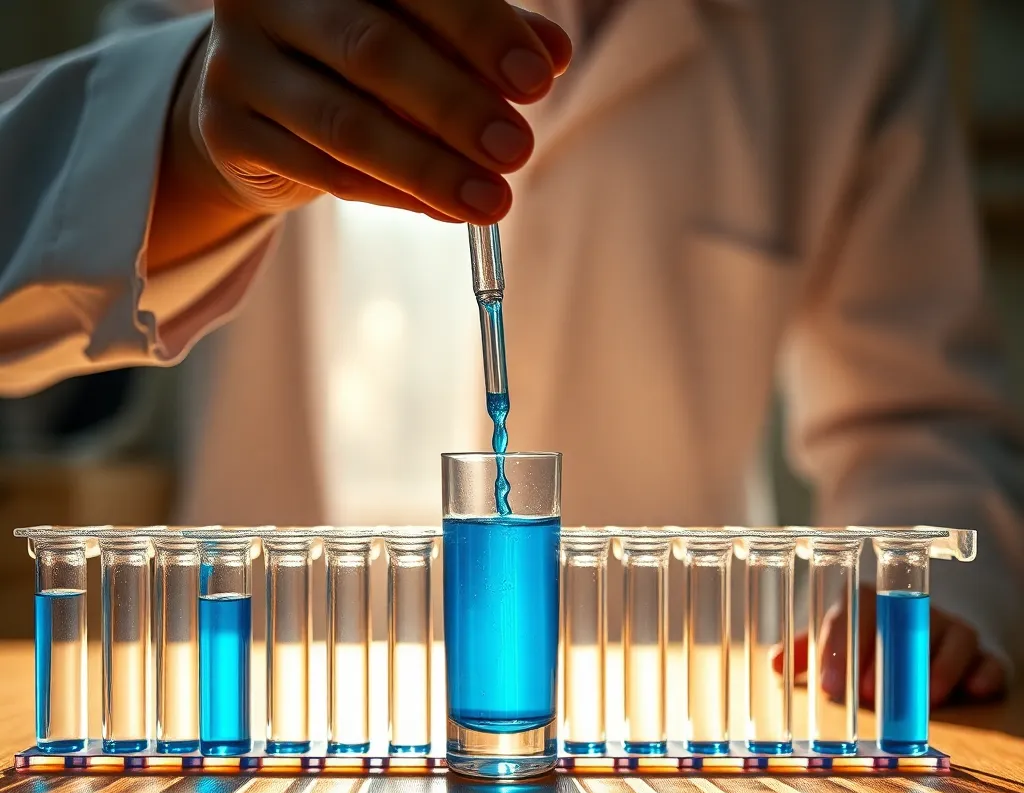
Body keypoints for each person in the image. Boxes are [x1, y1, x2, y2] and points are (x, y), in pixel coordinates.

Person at [0, 0, 1020, 708]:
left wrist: (925, 611)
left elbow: (917, 419)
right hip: (272, 710)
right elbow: (33, 246)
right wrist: (189, 138)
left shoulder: (846, 26)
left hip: (674, 729)